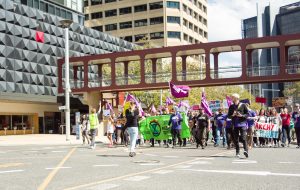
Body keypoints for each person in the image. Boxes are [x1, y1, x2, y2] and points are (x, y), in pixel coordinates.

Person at [227, 93, 249, 158]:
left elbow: (247, 114)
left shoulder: (243, 105)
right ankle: (237, 152)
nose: (231, 99)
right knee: (236, 139)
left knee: (243, 138)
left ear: (236, 98)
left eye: (232, 97)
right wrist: (232, 115)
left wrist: (241, 115)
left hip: (242, 124)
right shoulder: (231, 106)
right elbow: (228, 116)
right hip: (234, 124)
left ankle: (246, 151)